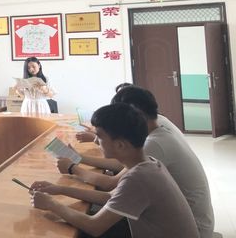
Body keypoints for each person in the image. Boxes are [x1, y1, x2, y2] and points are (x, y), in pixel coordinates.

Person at [61, 85, 214, 238]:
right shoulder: (152, 148)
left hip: (193, 227)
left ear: (136, 113)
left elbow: (110, 185)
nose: (96, 140)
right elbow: (113, 188)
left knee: (79, 229)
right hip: (176, 223)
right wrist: (60, 186)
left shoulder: (152, 150)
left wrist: (72, 168)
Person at [30, 103, 198, 238]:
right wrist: (58, 189)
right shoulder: (149, 163)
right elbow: (110, 196)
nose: (96, 141)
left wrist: (51, 204)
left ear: (120, 145)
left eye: (100, 136)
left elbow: (94, 226)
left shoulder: (139, 178)